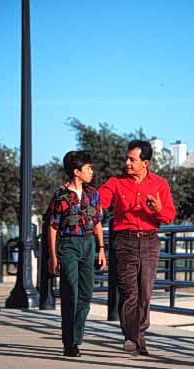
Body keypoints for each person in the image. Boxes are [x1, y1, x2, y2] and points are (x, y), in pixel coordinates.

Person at [99, 140, 176, 356]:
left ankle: (139, 336)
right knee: (129, 292)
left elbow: (169, 216)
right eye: (127, 158)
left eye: (132, 160)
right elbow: (99, 201)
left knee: (145, 292)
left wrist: (159, 209)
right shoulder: (115, 182)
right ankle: (133, 337)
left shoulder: (160, 184)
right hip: (125, 241)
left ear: (145, 162)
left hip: (150, 242)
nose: (127, 163)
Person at [45, 151, 106, 357]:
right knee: (70, 290)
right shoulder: (60, 195)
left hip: (88, 244)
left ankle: (77, 337)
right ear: (76, 172)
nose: (92, 171)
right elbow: (53, 226)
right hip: (68, 244)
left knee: (86, 294)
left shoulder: (93, 194)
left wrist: (101, 249)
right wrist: (53, 257)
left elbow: (97, 222)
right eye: (88, 168)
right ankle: (69, 342)